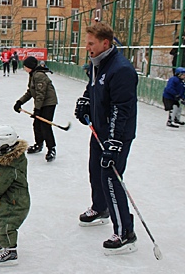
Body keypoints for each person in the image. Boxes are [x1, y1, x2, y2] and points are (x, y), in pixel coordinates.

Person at [74, 22, 138, 255]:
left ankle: (125, 233)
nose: (87, 47)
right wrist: (85, 101)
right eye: (87, 42)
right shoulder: (96, 64)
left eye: (91, 43)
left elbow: (122, 109)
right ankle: (100, 208)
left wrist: (114, 141)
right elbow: (93, 90)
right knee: (95, 171)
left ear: (105, 43)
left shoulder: (121, 70)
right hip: (99, 130)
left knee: (111, 177)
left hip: (117, 135)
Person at [0, 125, 30, 267]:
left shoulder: (9, 166)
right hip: (11, 198)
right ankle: (4, 242)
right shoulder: (14, 158)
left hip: (16, 201)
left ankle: (11, 251)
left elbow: (1, 183)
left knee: (7, 224)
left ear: (5, 146)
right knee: (1, 219)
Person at [13, 56, 58, 162]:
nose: (24, 67)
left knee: (45, 126)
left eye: (25, 66)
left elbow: (40, 94)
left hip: (48, 103)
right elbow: (30, 92)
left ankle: (51, 149)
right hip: (41, 103)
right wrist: (20, 102)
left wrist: (37, 109)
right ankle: (39, 144)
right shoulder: (33, 75)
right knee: (37, 124)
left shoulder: (39, 76)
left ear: (30, 66)